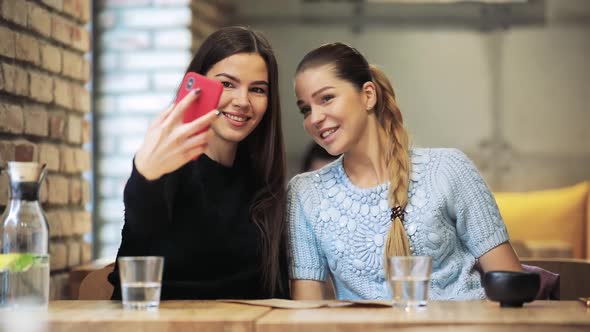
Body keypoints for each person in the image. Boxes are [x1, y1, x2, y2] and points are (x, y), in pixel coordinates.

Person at [287, 42, 523, 301]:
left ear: (368, 95)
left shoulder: (448, 168)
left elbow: (512, 290)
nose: (314, 118)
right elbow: (306, 313)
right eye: (305, 109)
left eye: (327, 98)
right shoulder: (305, 194)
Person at [108, 26, 289, 300]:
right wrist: (144, 175)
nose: (242, 101)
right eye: (227, 84)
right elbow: (138, 242)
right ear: (197, 86)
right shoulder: (161, 165)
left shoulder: (265, 182)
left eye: (257, 89)